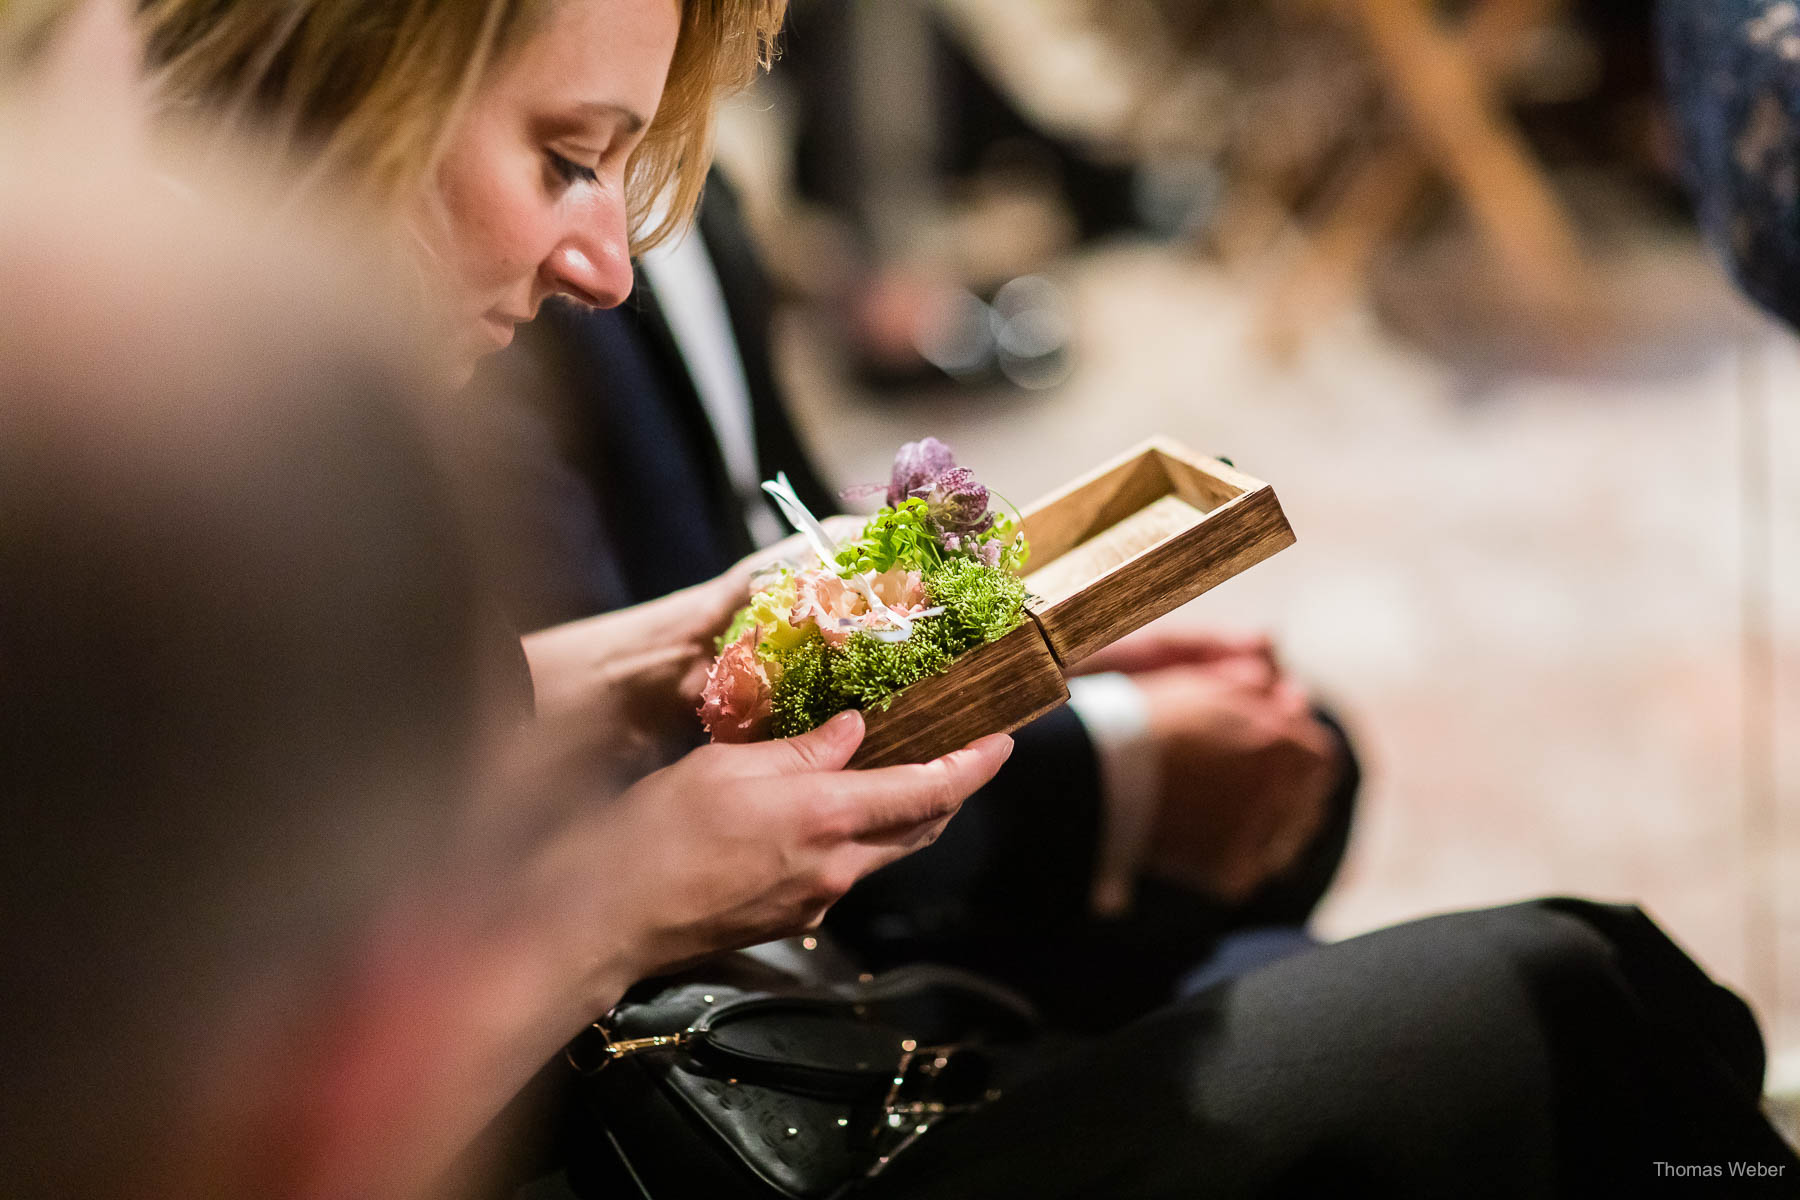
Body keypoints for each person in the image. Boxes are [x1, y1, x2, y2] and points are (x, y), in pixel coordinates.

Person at [9, 1, 1795, 1195]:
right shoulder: (172, 457)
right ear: (357, 75)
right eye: (562, 158)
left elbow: (421, 718)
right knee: (1563, 997)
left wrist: (678, 647)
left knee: (1519, 957)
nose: (605, 256)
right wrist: (614, 908)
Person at [481, 170, 1359, 1033]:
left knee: (1303, 752)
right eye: (570, 150)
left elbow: (763, 514)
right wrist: (1111, 747)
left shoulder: (694, 182)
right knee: (1301, 810)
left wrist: (1032, 644)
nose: (610, 259)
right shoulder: (473, 339)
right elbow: (636, 801)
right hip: (721, 929)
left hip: (758, 744)